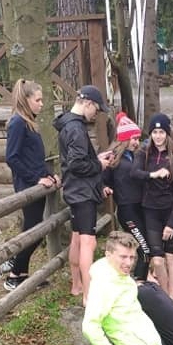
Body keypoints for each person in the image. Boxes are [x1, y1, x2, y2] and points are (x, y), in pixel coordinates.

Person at [54, 85, 115, 304]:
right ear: (87, 103)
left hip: (73, 190)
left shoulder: (68, 125)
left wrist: (96, 158)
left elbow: (76, 161)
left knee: (77, 238)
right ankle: (89, 296)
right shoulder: (77, 129)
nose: (95, 115)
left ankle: (77, 285)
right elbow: (77, 164)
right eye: (96, 110)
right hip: (82, 192)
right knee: (88, 242)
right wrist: (99, 164)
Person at [3, 79, 59, 291]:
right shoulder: (17, 123)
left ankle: (21, 272)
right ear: (26, 100)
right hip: (27, 187)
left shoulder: (30, 122)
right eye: (38, 100)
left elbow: (35, 158)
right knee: (33, 231)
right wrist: (35, 178)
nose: (41, 104)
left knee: (35, 229)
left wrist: (48, 175)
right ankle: (14, 273)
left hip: (37, 184)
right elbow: (12, 158)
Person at [131, 112, 173, 300]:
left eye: (162, 132)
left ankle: (171, 296)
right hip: (151, 211)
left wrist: (171, 223)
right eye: (155, 132)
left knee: (171, 257)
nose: (158, 136)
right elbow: (134, 173)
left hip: (170, 212)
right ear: (151, 134)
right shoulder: (144, 154)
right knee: (157, 260)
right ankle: (165, 294)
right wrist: (152, 175)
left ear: (167, 134)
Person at [104, 111, 150, 280]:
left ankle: (137, 281)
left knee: (145, 248)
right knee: (144, 249)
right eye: (133, 139)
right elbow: (103, 179)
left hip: (140, 209)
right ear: (124, 139)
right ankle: (137, 283)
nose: (136, 142)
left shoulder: (136, 157)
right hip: (127, 210)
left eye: (138, 139)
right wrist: (104, 187)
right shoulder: (114, 160)